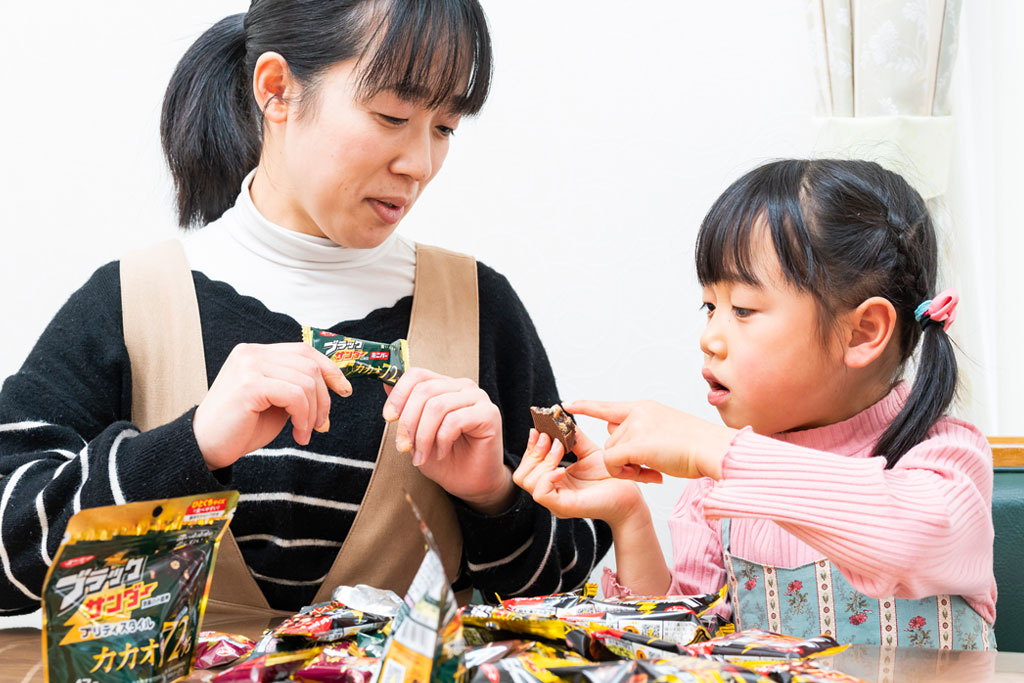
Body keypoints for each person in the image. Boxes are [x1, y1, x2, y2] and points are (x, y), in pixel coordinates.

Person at [0, 0, 609, 615]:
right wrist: (190, 447)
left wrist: (492, 496)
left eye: (445, 127)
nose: (420, 164)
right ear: (278, 90)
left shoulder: (481, 311)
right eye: (392, 115)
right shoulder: (130, 304)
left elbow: (559, 599)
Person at [515, 159, 997, 649]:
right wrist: (628, 517)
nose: (709, 339)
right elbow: (679, 651)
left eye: (743, 310)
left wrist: (719, 450)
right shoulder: (712, 489)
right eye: (710, 307)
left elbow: (910, 538)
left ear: (862, 332)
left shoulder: (943, 458)